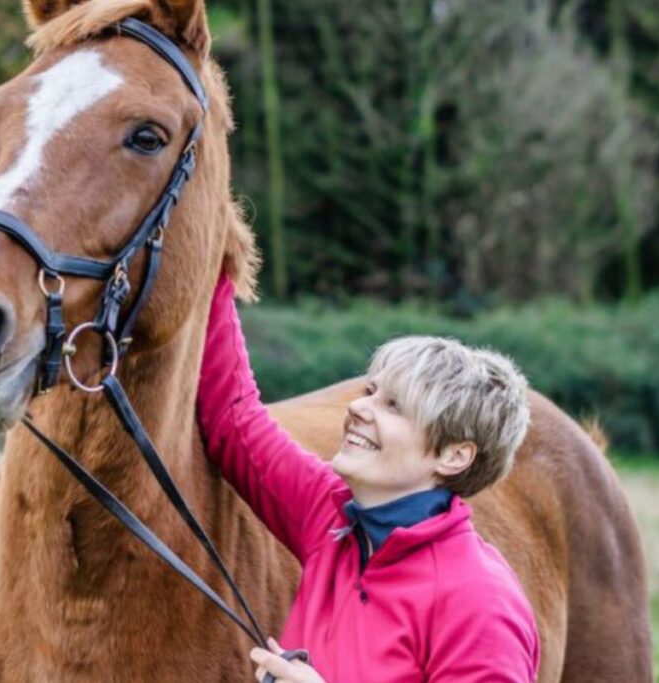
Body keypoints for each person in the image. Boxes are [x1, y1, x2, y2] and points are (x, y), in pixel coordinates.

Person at [196, 273, 540, 683]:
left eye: (393, 406)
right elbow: (235, 421)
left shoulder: (479, 600)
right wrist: (215, 254)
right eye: (370, 391)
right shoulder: (331, 515)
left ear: (454, 455)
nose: (359, 408)